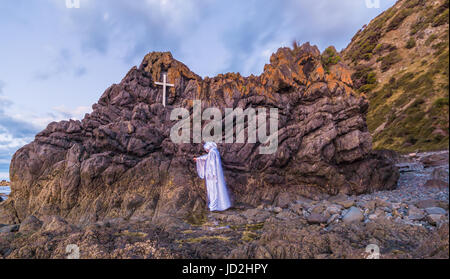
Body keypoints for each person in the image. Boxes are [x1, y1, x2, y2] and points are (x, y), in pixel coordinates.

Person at [194, 142, 232, 211]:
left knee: (213, 190)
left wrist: (212, 174)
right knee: (216, 189)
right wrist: (198, 159)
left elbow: (212, 164)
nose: (206, 151)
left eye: (206, 149)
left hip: (212, 176)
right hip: (214, 175)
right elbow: (207, 157)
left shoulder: (212, 152)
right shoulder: (215, 151)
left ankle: (213, 206)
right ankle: (219, 205)